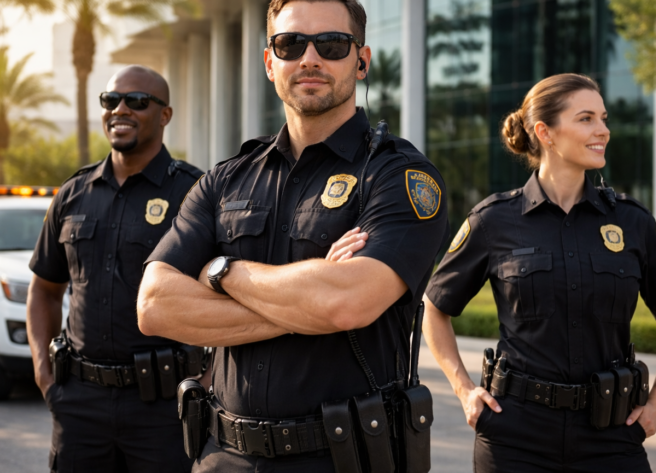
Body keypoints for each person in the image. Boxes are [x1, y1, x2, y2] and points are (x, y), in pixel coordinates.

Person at [136, 0, 449, 470]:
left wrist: (222, 271)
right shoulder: (225, 179)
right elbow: (155, 306)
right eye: (290, 44)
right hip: (223, 456)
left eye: (331, 44)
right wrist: (311, 299)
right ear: (269, 63)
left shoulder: (398, 176)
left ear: (361, 61)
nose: (309, 58)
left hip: (340, 458)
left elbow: (349, 303)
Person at [422, 73, 656, 472]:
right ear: (545, 132)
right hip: (515, 437)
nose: (603, 130)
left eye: (603, 118)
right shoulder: (493, 220)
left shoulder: (631, 221)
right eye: (586, 119)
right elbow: (435, 308)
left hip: (611, 434)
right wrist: (465, 390)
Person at [26, 65, 203, 473]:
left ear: (164, 115)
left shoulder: (193, 193)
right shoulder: (73, 194)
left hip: (161, 410)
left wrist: (206, 384)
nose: (120, 109)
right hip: (78, 405)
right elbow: (44, 291)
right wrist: (44, 375)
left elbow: (223, 291)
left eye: (137, 101)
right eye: (110, 100)